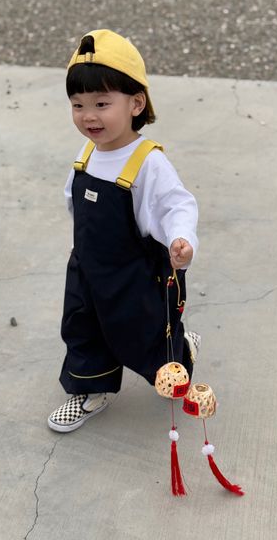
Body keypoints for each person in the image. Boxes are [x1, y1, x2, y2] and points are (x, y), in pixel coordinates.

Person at [48, 29, 200, 433]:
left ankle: (180, 354)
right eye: (78, 105)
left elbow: (176, 204)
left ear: (136, 103)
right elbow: (73, 199)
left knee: (144, 332)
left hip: (133, 273)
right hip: (88, 267)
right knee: (82, 327)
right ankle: (90, 389)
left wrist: (181, 239)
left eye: (101, 104)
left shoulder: (147, 162)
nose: (88, 116)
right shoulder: (87, 154)